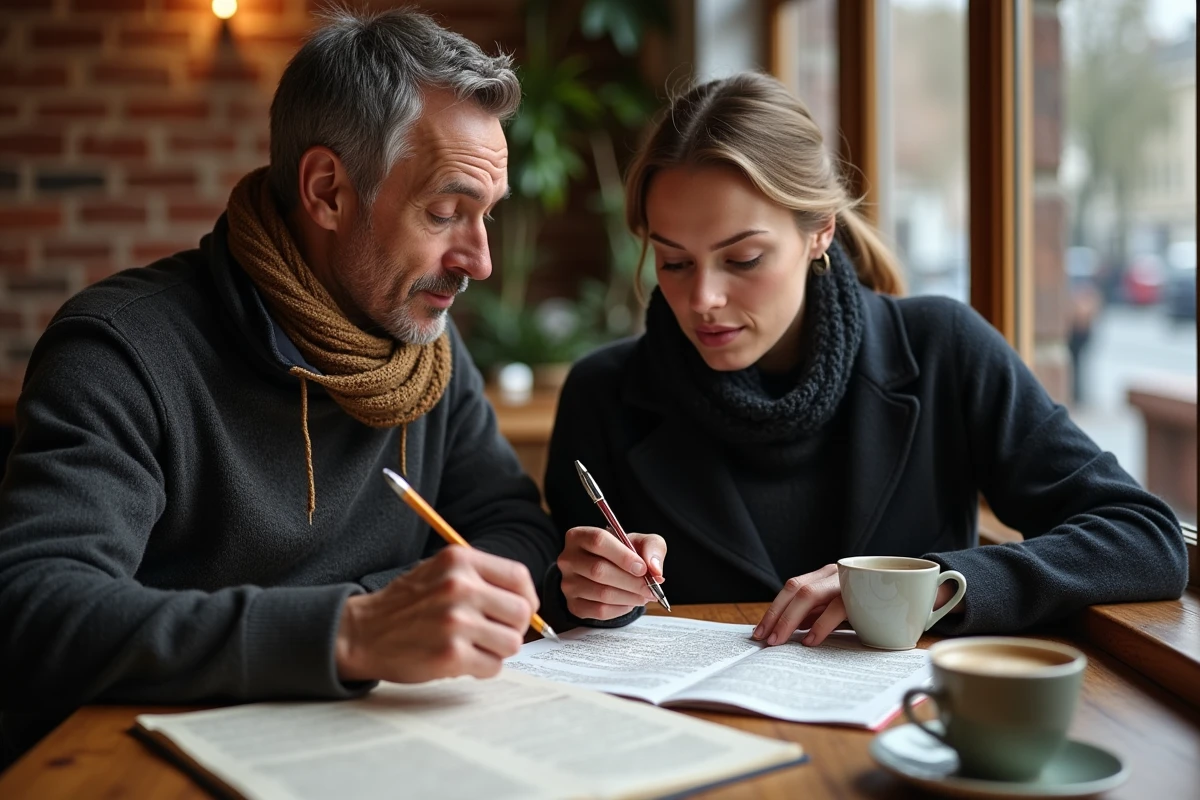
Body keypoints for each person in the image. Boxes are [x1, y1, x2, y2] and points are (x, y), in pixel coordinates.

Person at [0, 8, 556, 765]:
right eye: (447, 212)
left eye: (486, 216)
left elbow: (512, 530)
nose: (481, 261)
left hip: (387, 747)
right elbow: (35, 610)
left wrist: (393, 615)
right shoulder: (120, 349)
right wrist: (354, 629)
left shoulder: (428, 349)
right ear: (327, 190)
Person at [542, 72, 1187, 646]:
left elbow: (1145, 538)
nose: (703, 299)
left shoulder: (942, 349)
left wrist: (928, 586)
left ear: (820, 229)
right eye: (674, 262)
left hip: (906, 746)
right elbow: (560, 608)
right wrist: (588, 593)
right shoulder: (603, 394)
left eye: (743, 259)